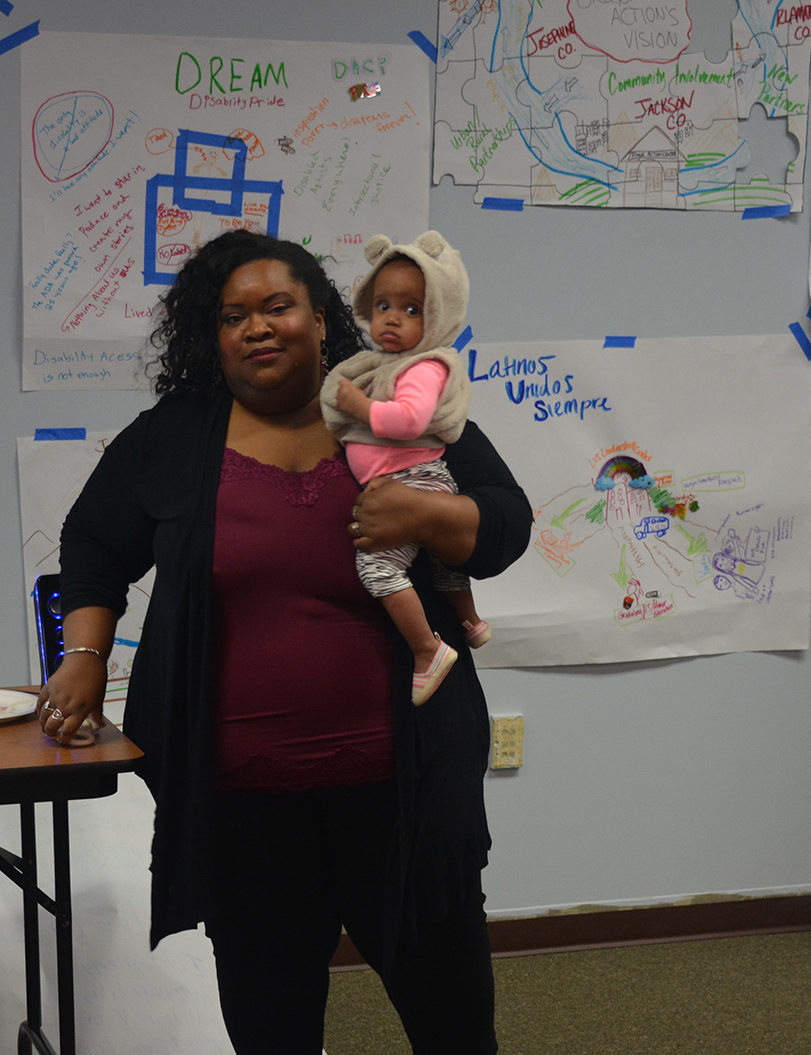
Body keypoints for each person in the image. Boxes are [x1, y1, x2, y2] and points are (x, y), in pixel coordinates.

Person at [35, 229, 531, 1055]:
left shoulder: (398, 404)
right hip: (244, 810)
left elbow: (504, 522)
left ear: (321, 318)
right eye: (234, 316)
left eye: (278, 306)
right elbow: (92, 545)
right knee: (274, 1031)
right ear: (213, 335)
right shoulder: (175, 437)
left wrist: (432, 515)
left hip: (403, 800)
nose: (257, 327)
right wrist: (83, 656)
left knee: (454, 1027)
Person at [322, 231, 491, 707]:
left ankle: (427, 650)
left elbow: (410, 420)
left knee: (377, 568)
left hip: (413, 480)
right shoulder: (389, 363)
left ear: (436, 316)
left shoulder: (423, 367)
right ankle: (471, 623)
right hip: (417, 479)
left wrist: (358, 405)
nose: (392, 318)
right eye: (382, 306)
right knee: (442, 564)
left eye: (412, 309)